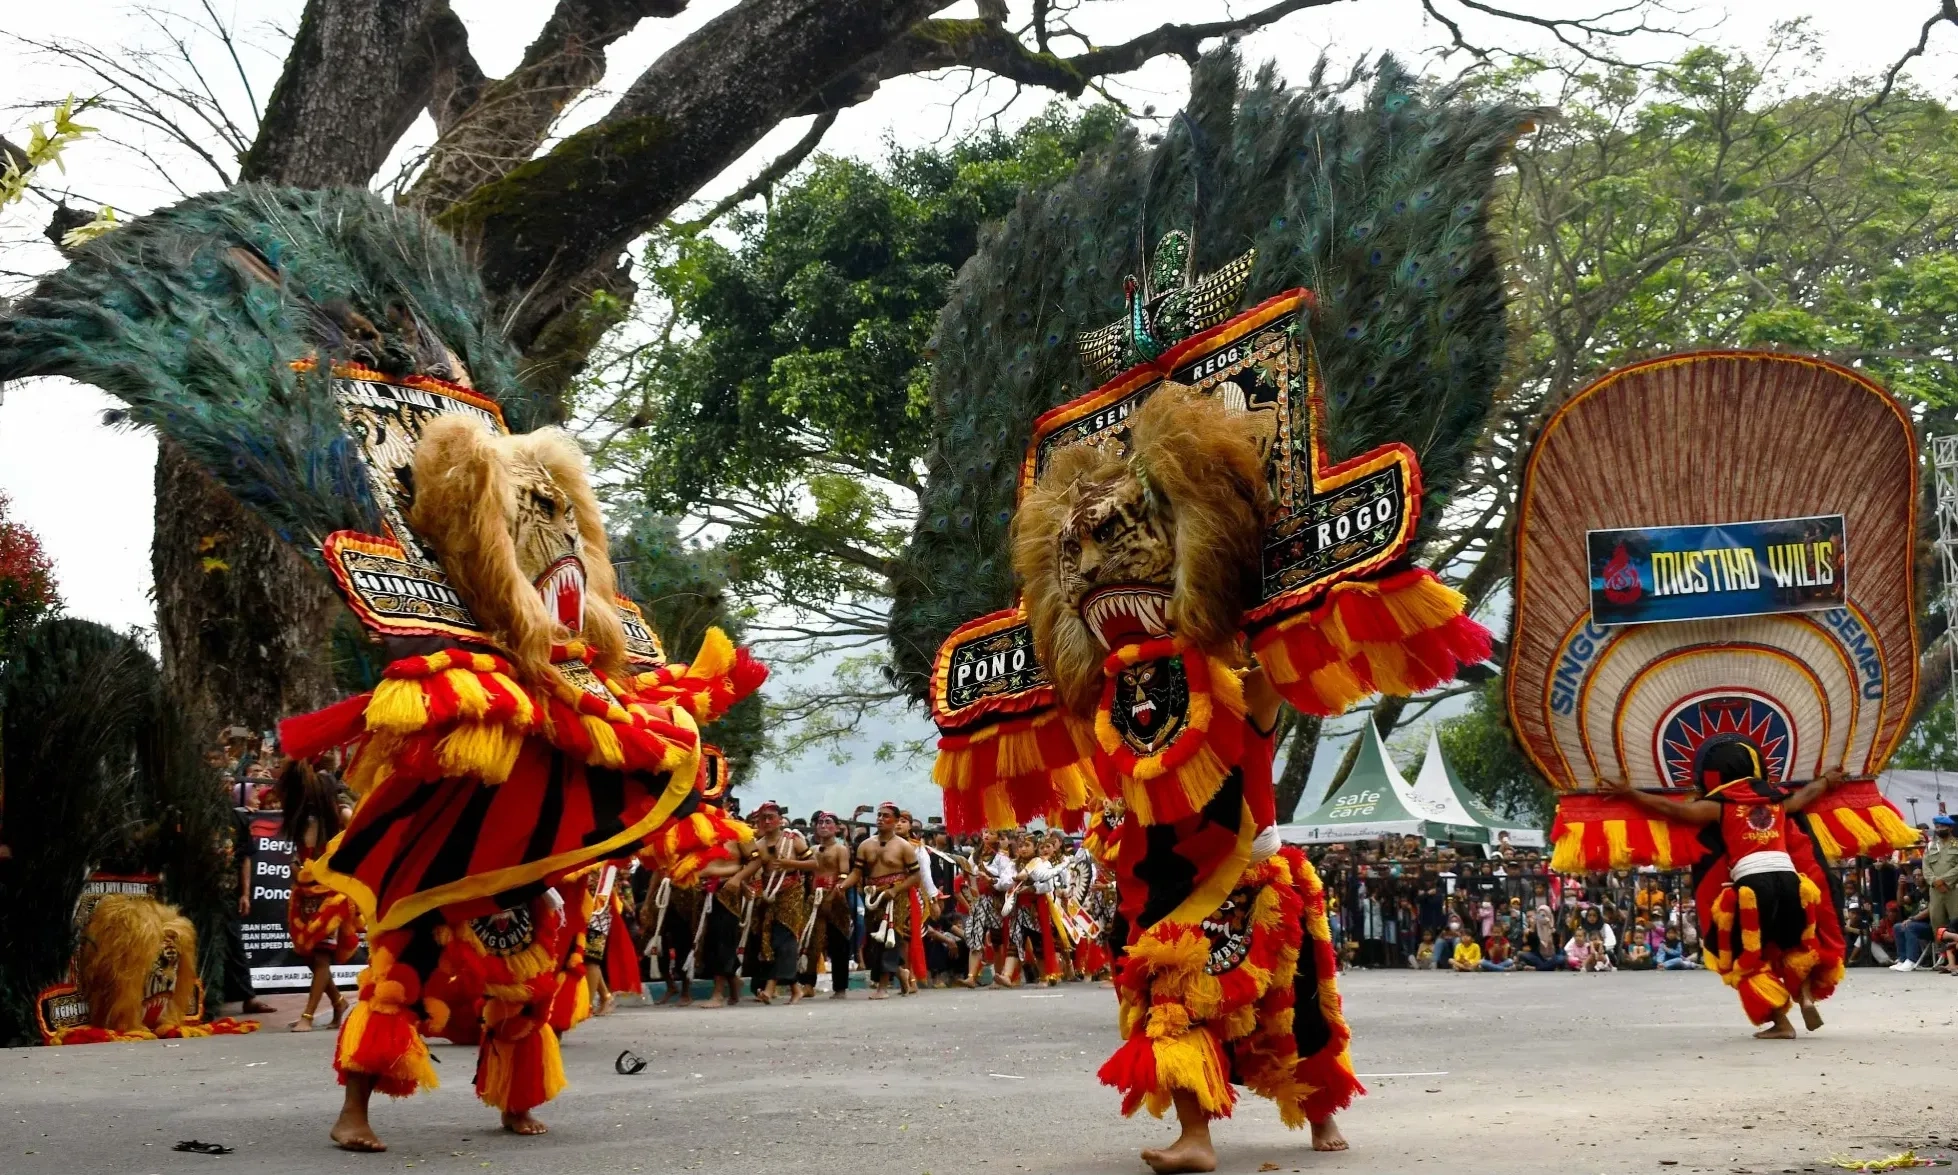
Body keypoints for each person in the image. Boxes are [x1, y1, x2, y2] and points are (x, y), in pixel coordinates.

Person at [1609, 746, 1845, 1039]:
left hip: (1753, 887)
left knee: (1745, 956)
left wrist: (1629, 793)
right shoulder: (1777, 801)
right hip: (1790, 882)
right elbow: (1806, 796)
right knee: (1794, 945)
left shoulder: (1721, 805)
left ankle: (1780, 1023)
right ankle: (1805, 996)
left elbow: (1673, 810)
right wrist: (1827, 780)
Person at [277, 759, 357, 1031]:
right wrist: (296, 869)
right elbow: (295, 856)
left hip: (333, 895)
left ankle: (307, 1016)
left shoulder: (342, 816)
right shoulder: (300, 821)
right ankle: (337, 1001)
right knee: (308, 954)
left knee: (322, 955)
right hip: (305, 894)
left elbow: (358, 849)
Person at [852, 802, 922, 999]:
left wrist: (896, 889)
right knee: (873, 941)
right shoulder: (865, 845)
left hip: (896, 898)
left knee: (889, 940)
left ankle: (882, 988)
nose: (881, 819)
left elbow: (915, 877)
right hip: (873, 895)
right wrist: (841, 887)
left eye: (886, 816)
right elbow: (857, 873)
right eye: (879, 815)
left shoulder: (904, 847)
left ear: (896, 821)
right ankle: (901, 972)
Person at [801, 812, 856, 999]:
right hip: (814, 898)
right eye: (820, 822)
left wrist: (832, 897)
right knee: (811, 943)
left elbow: (844, 874)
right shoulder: (814, 849)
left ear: (837, 827)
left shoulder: (840, 849)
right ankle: (808, 984)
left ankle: (840, 988)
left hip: (835, 897)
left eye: (828, 822)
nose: (823, 825)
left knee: (838, 942)